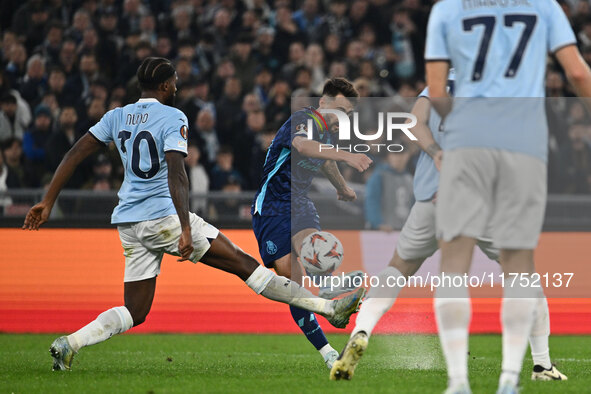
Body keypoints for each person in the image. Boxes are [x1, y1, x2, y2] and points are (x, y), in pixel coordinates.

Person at [22, 57, 365, 372]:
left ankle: (70, 343)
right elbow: (177, 173)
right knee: (247, 268)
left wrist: (48, 201)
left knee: (135, 311)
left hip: (128, 222)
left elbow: (74, 152)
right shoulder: (174, 117)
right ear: (165, 87)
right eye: (174, 83)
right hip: (165, 217)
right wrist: (185, 227)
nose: (177, 88)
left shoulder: (116, 115)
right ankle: (328, 309)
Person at [331, 74, 567, 383]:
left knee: (397, 269)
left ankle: (362, 329)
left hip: (429, 201)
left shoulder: (440, 87)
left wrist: (436, 153)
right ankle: (542, 366)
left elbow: (414, 124)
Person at [424, 1, 591, 393]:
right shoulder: (544, 6)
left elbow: (435, 91)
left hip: (468, 142)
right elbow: (578, 73)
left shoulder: (447, 8)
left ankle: (458, 383)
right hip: (524, 144)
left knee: (453, 262)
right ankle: (510, 380)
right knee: (519, 265)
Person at [251, 77, 373, 369]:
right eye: (340, 110)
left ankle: (327, 285)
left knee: (314, 250)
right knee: (295, 290)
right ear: (323, 103)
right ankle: (329, 353)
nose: (342, 118)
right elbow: (304, 147)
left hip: (300, 203)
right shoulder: (304, 119)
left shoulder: (327, 136)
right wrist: (348, 156)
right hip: (271, 208)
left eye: (348, 114)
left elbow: (326, 161)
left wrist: (342, 187)